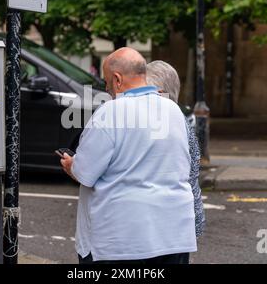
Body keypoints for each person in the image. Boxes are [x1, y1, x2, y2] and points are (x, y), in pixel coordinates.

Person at [60, 47, 197, 264]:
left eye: (106, 82)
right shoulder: (173, 111)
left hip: (122, 242)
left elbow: (85, 173)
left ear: (117, 79)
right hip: (173, 235)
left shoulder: (110, 112)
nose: (107, 88)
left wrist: (71, 165)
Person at [146, 60, 206, 239]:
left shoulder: (161, 125)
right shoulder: (179, 121)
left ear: (160, 93)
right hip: (182, 221)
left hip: (166, 224)